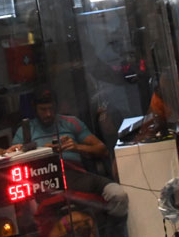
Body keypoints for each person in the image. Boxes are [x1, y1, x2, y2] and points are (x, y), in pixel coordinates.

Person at [12, 89, 128, 235]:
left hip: (77, 176)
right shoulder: (25, 131)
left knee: (118, 195)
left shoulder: (71, 123)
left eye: (51, 108)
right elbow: (14, 161)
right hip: (45, 183)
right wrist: (42, 152)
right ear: (35, 108)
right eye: (43, 109)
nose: (48, 114)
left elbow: (102, 150)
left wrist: (76, 147)